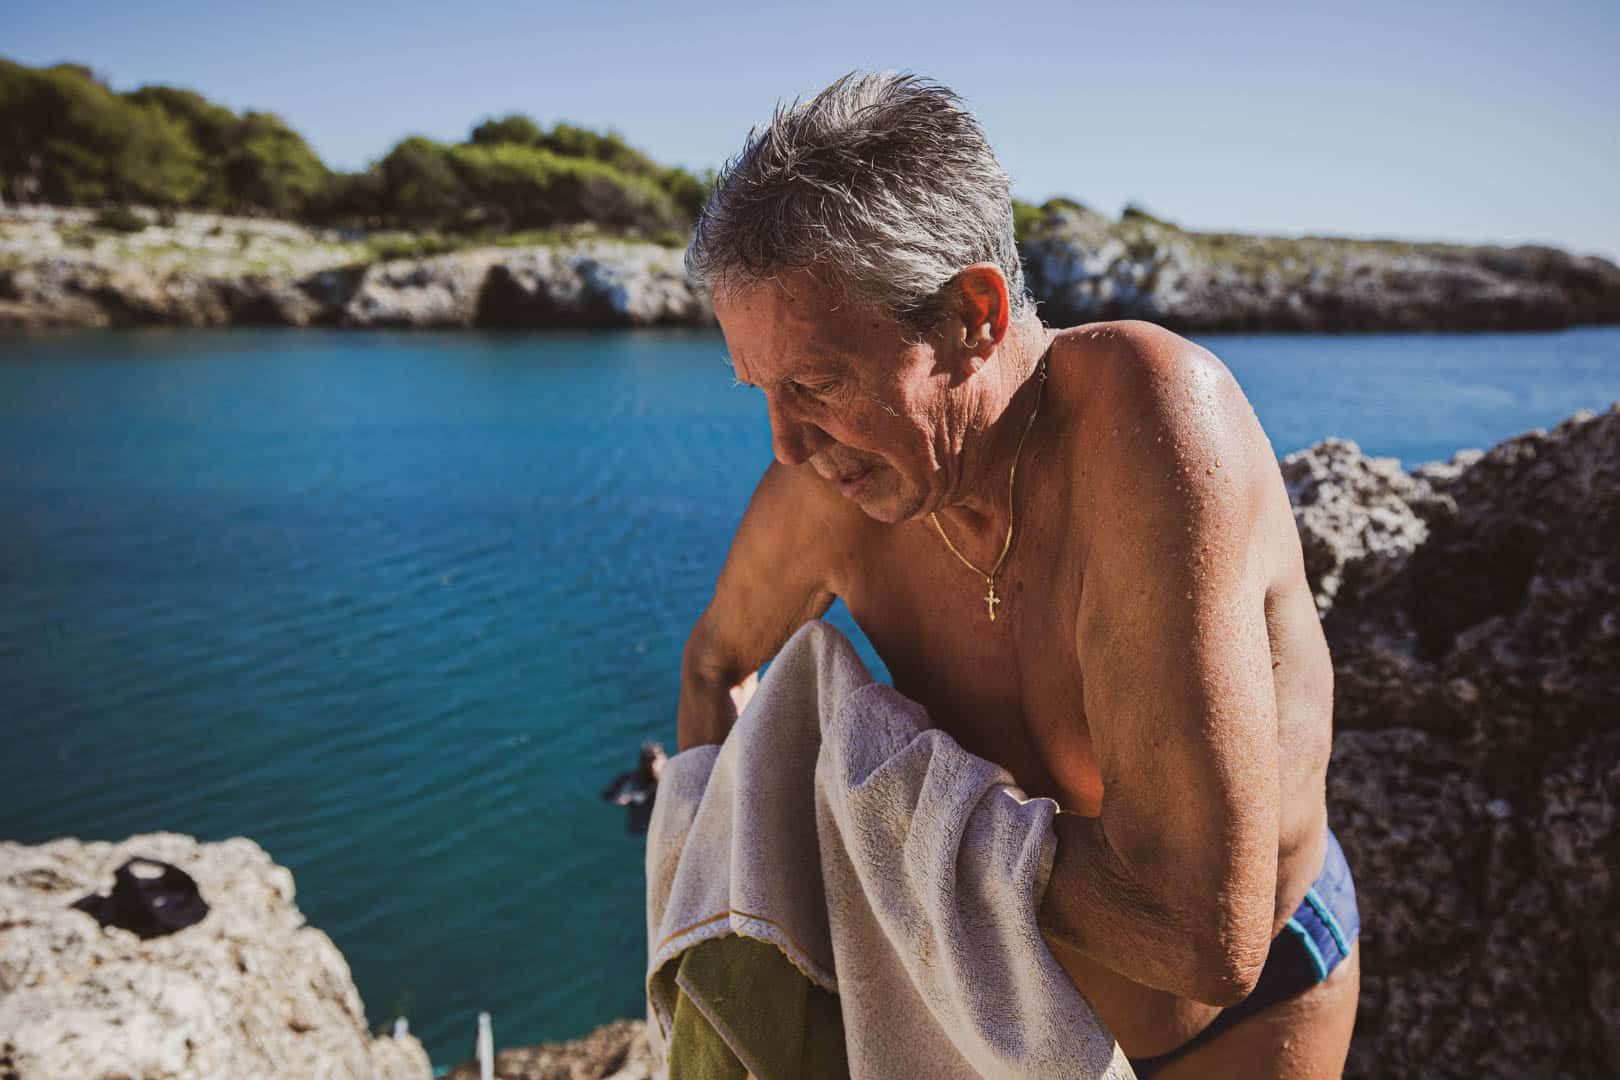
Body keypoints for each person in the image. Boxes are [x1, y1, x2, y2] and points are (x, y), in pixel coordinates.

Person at [676, 72, 1360, 1079]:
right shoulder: (838, 486)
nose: (784, 444)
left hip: (1244, 1020)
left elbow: (1201, 935)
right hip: (987, 1025)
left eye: (816, 383)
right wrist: (722, 871)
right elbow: (715, 665)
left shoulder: (1155, 425)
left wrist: (890, 815)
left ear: (971, 314)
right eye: (762, 392)